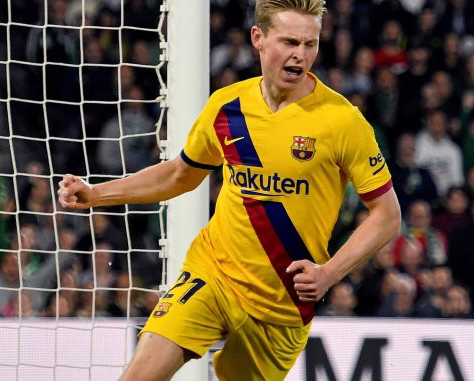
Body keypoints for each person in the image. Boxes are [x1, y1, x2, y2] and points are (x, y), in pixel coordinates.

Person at [57, 0, 401, 379]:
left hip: (282, 303)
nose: (300, 55)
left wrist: (329, 273)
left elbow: (387, 216)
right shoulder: (227, 106)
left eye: (310, 44)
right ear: (258, 38)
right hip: (213, 273)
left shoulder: (342, 121)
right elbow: (178, 176)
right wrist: (96, 194)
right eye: (289, 42)